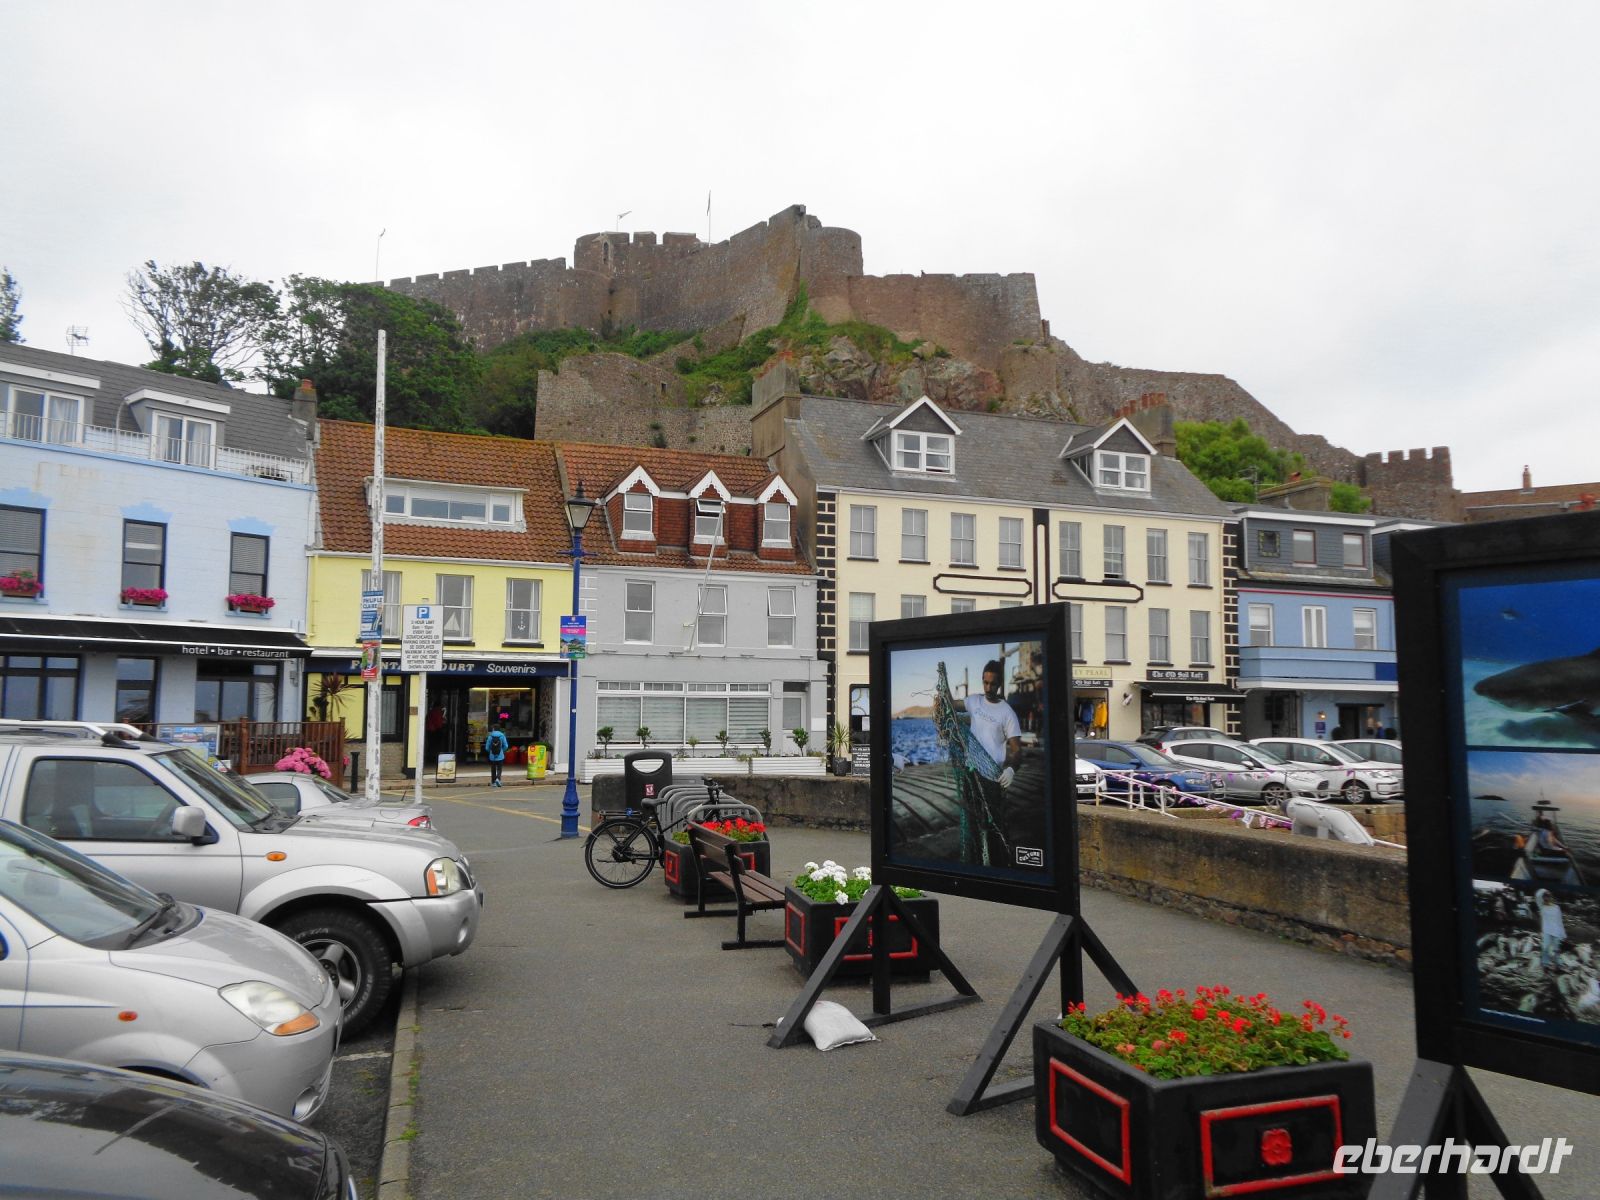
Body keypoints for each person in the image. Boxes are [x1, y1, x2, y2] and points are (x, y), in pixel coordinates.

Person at [1537, 889, 1566, 972]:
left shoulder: (1557, 907)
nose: (1547, 898)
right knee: (1545, 947)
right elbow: (1541, 920)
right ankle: (1545, 964)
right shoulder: (1542, 907)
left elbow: (1559, 920)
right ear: (1543, 898)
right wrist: (1541, 931)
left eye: (1548, 896)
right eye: (1545, 897)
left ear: (1551, 897)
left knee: (1556, 948)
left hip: (1556, 930)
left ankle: (1558, 965)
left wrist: (1563, 933)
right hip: (1546, 930)